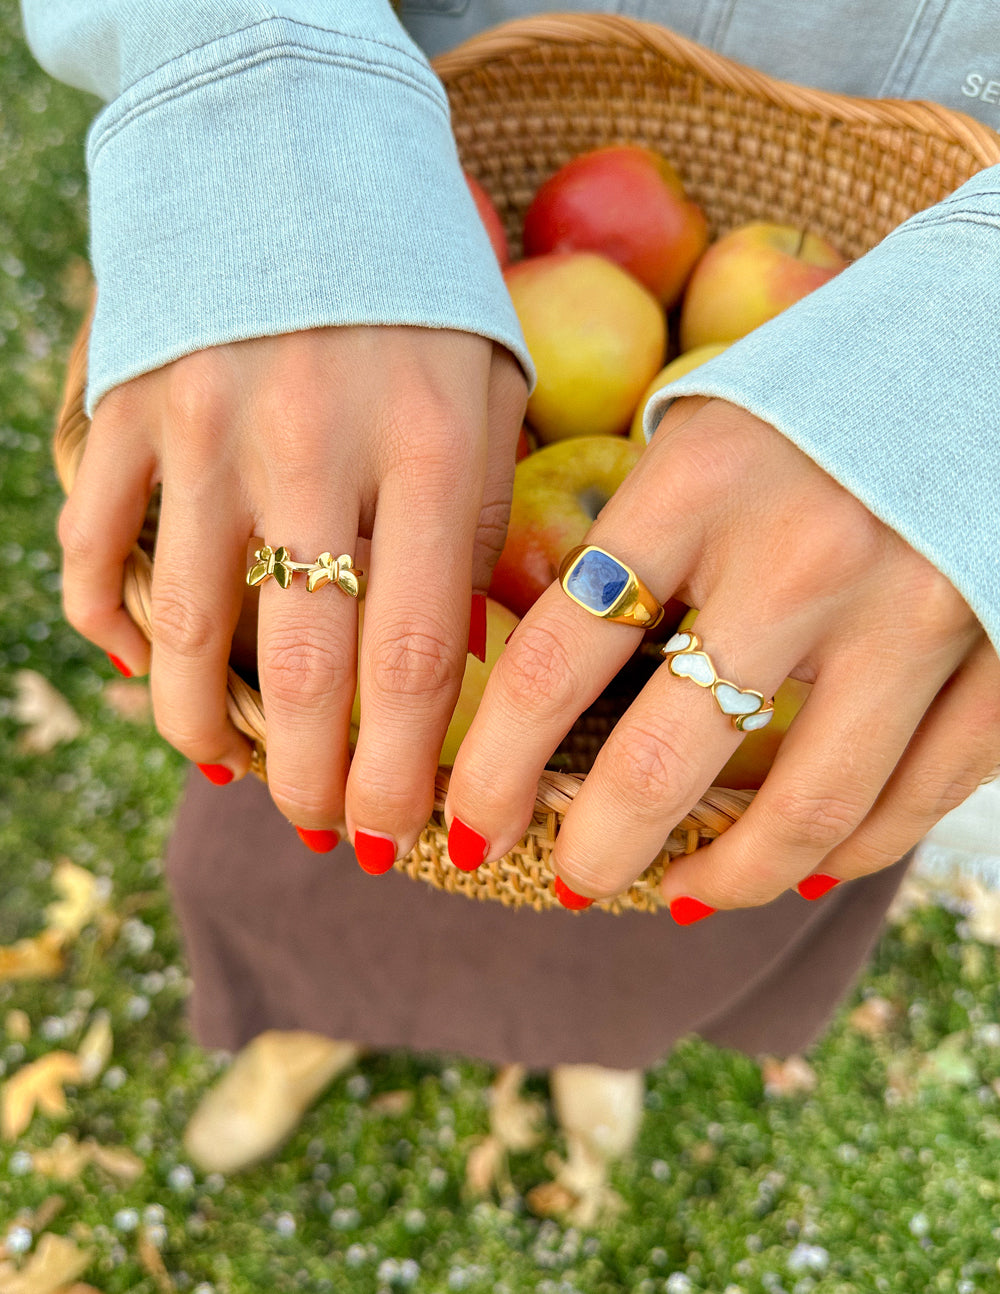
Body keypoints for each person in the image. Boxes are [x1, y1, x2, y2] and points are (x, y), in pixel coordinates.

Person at [20, 0, 1000, 1175]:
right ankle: (315, 1014)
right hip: (401, 187)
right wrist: (261, 116)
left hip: (902, 443)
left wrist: (964, 380)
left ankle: (599, 1035)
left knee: (707, 841)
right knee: (322, 754)